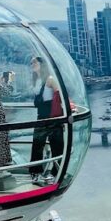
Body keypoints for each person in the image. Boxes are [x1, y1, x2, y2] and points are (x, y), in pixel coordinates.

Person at [29, 56, 64, 184]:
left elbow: (61, 95)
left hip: (53, 118)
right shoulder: (36, 80)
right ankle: (35, 172)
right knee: (37, 145)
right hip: (41, 117)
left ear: (42, 64)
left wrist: (66, 110)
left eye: (35, 62)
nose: (32, 64)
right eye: (31, 62)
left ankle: (57, 173)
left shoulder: (50, 79)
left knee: (57, 147)